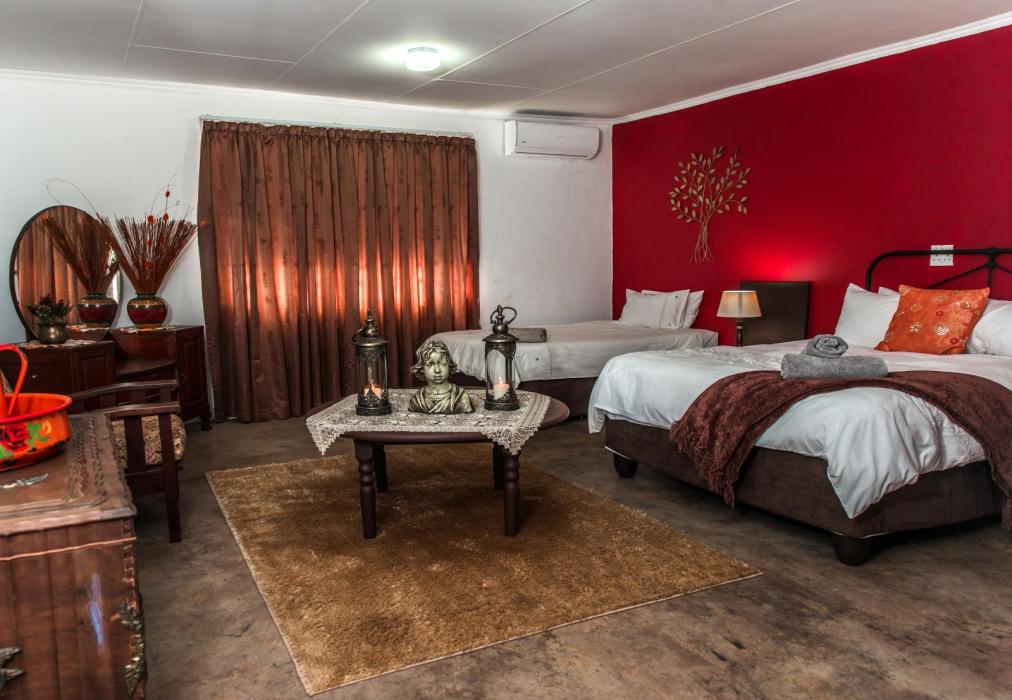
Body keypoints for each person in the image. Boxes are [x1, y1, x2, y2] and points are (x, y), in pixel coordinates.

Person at [407, 340, 474, 414]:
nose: (437, 370)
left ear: (449, 365)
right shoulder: (416, 400)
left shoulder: (461, 398)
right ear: (422, 368)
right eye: (430, 364)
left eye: (443, 364)